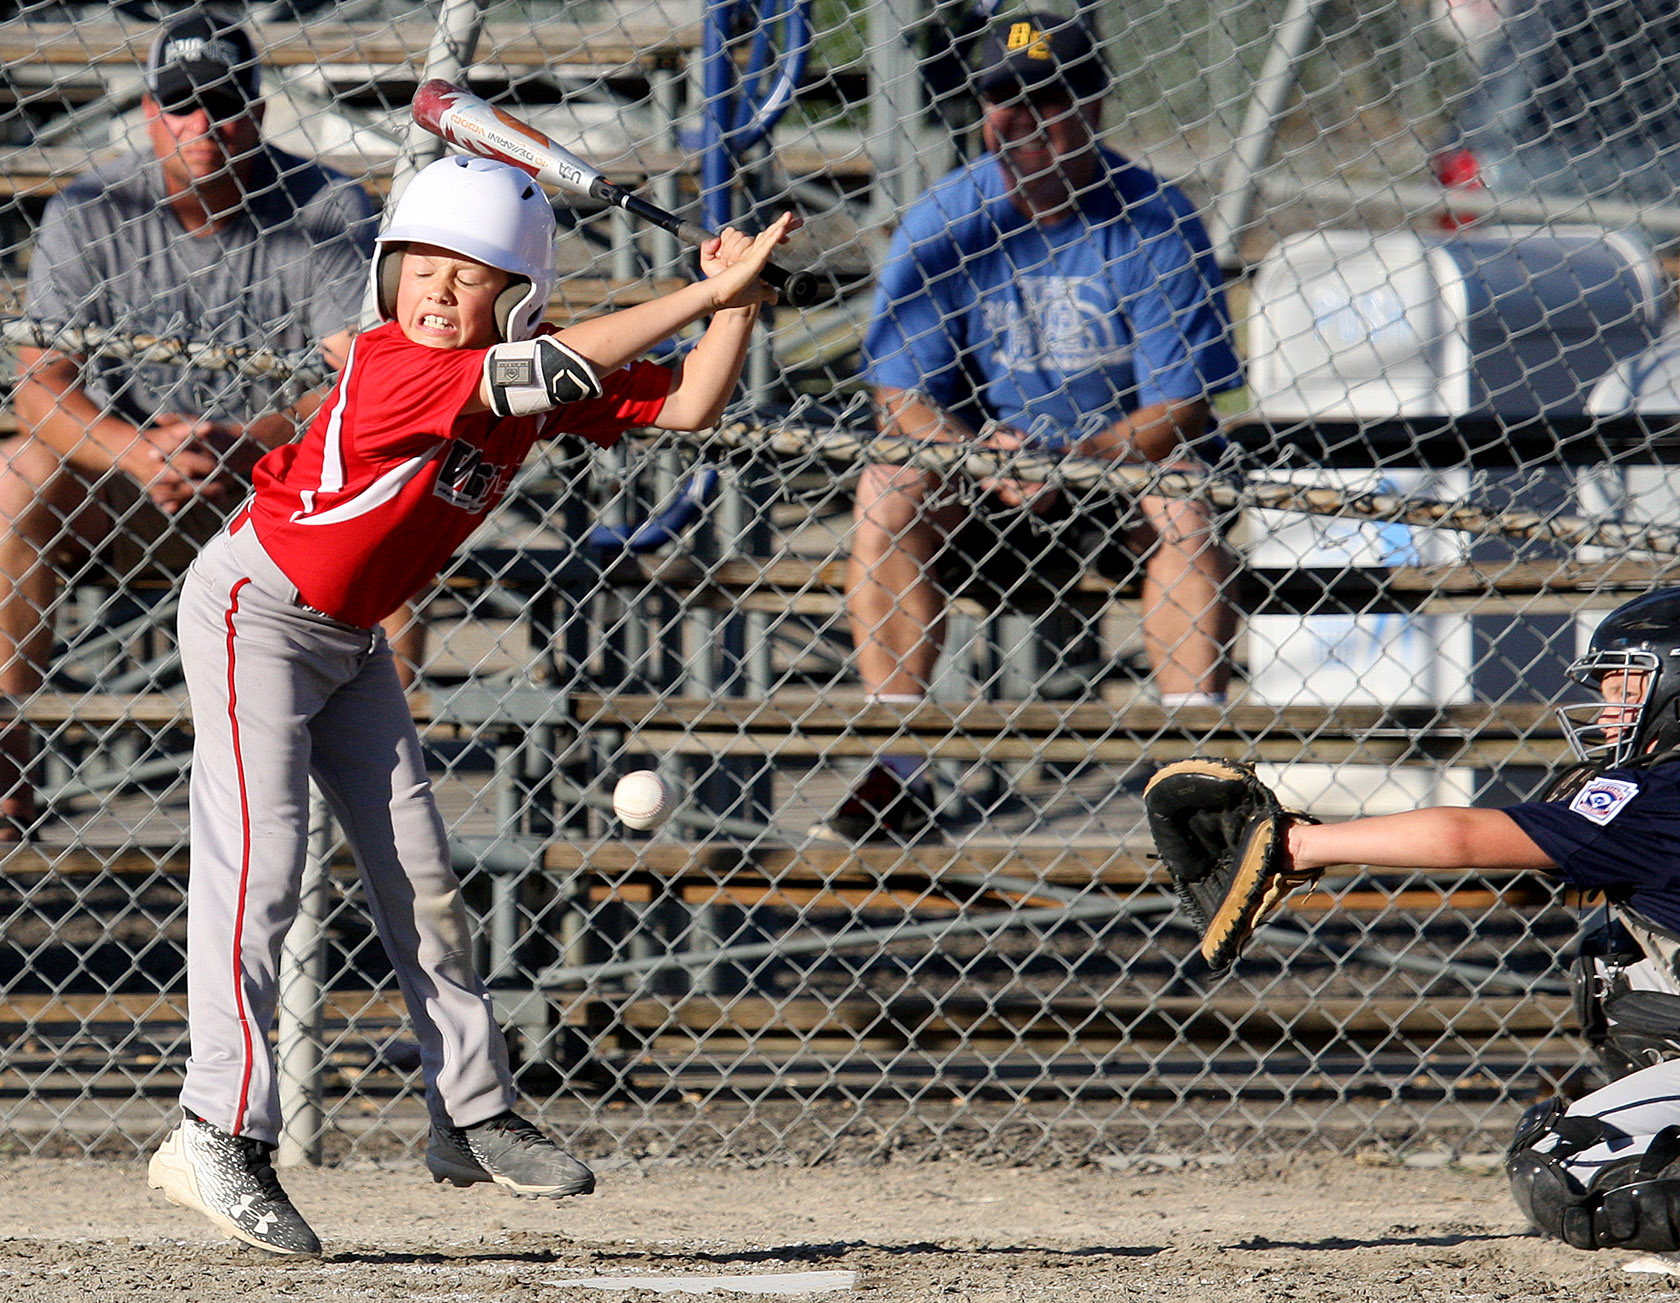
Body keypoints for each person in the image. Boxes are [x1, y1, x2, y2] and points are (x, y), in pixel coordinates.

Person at [144, 152, 797, 1256]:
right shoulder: (400, 363)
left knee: (423, 875)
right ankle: (213, 1130)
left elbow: (685, 401)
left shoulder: (519, 384)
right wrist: (704, 291)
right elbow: (550, 368)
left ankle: (470, 1109)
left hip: (347, 638)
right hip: (254, 609)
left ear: (519, 297)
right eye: (425, 267)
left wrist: (738, 308)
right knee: (262, 868)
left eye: (473, 275)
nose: (440, 291)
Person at [816, 11, 1243, 844]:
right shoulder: (948, 218)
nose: (1022, 120)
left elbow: (1183, 405)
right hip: (982, 482)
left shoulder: (1156, 219)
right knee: (887, 484)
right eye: (1003, 98)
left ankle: (1199, 779)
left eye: (1048, 99)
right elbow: (900, 401)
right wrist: (976, 452)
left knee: (1185, 501)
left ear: (1095, 107)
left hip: (1114, 478)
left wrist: (1081, 459)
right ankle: (898, 770)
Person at [0, 8, 407, 841]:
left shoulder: (327, 206)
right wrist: (138, 448)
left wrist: (253, 438)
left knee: (396, 485)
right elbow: (39, 389)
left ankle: (386, 800)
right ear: (149, 111)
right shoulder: (91, 206)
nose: (202, 125)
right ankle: (6, 751)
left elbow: (366, 384)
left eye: (222, 102)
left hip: (284, 491)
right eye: (179, 102)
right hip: (127, 490)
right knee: (16, 477)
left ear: (256, 111)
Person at [1250, 586, 1680, 1258]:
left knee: (1575, 1170)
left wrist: (1298, 844)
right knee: (1617, 959)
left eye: (1626, 688)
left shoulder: (1656, 798)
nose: (1607, 710)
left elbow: (1461, 836)